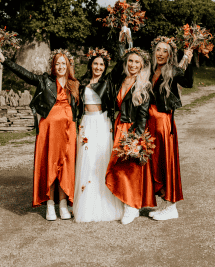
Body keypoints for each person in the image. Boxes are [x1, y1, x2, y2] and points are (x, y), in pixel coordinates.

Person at [0, 49, 79, 221]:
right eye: (57, 63)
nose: (61, 66)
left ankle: (63, 204)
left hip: (68, 130)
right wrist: (5, 61)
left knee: (65, 166)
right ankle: (49, 205)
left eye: (63, 63)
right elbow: (26, 75)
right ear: (53, 66)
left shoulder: (74, 84)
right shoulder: (44, 80)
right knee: (50, 165)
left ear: (68, 65)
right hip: (49, 130)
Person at [105, 45, 157, 225]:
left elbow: (143, 115)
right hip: (118, 125)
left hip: (131, 129)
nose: (133, 64)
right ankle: (125, 202)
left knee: (130, 168)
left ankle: (132, 206)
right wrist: (122, 38)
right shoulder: (121, 79)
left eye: (137, 62)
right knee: (117, 166)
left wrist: (137, 138)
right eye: (130, 61)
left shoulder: (144, 85)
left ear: (142, 65)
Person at [73, 48, 124, 222]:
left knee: (101, 160)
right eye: (95, 63)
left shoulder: (108, 81)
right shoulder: (81, 82)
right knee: (87, 160)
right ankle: (87, 206)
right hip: (86, 123)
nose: (98, 67)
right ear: (90, 64)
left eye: (102, 64)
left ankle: (106, 204)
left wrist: (124, 40)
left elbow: (121, 65)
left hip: (102, 123)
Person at [147, 36, 193, 221]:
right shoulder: (150, 70)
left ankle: (172, 206)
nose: (160, 53)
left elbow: (188, 83)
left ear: (170, 54)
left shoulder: (173, 71)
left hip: (163, 123)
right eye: (158, 49)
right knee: (152, 163)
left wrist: (188, 60)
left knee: (166, 161)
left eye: (165, 51)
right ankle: (160, 202)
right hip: (148, 123)